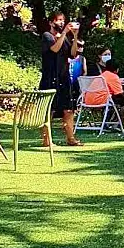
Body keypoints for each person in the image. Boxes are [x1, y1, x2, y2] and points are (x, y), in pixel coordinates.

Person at [39, 11, 83, 146]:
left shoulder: (65, 38)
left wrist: (75, 37)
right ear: (51, 22)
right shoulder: (47, 36)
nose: (62, 23)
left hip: (64, 78)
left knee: (69, 109)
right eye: (58, 20)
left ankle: (71, 138)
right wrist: (64, 33)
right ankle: (47, 140)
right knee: (49, 110)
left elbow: (73, 54)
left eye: (63, 20)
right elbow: (54, 49)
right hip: (50, 78)